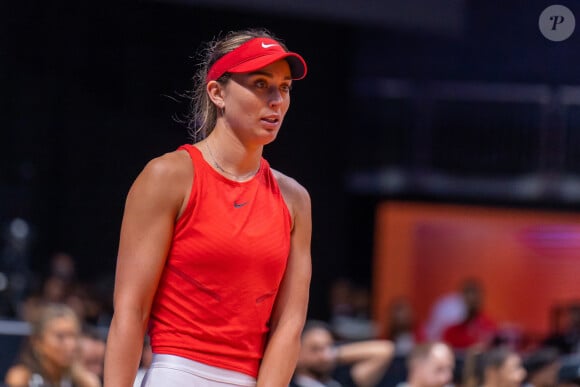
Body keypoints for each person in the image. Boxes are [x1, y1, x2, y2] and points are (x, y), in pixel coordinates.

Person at [104, 28, 312, 387]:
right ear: (217, 92)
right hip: (177, 373)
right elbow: (130, 313)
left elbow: (289, 325)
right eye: (261, 84)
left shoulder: (295, 199)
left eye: (285, 87)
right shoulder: (168, 175)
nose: (277, 99)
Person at [4, 303, 101, 387]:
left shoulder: (85, 382)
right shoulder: (22, 379)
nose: (71, 344)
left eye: (74, 336)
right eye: (61, 337)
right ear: (38, 341)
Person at [291, 320, 394, 387]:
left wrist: (334, 353)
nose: (325, 355)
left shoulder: (341, 379)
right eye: (315, 349)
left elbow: (385, 350)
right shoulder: (286, 383)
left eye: (329, 346)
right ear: (297, 354)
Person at [442, 279, 497, 351]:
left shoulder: (490, 326)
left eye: (474, 300)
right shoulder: (450, 331)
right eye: (467, 298)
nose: (471, 302)